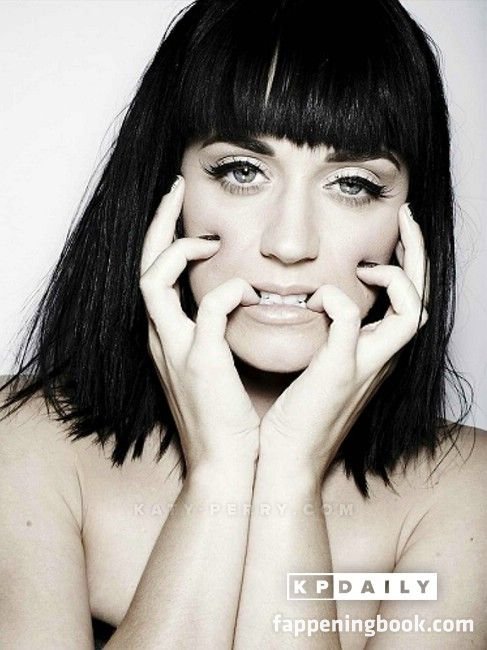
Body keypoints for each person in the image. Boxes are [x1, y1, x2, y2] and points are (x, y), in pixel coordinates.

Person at [1, 0, 486, 648]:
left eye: (352, 184)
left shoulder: (465, 495)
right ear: (165, 190)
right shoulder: (25, 446)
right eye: (242, 171)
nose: (289, 244)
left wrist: (290, 469)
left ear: (411, 223)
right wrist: (219, 469)